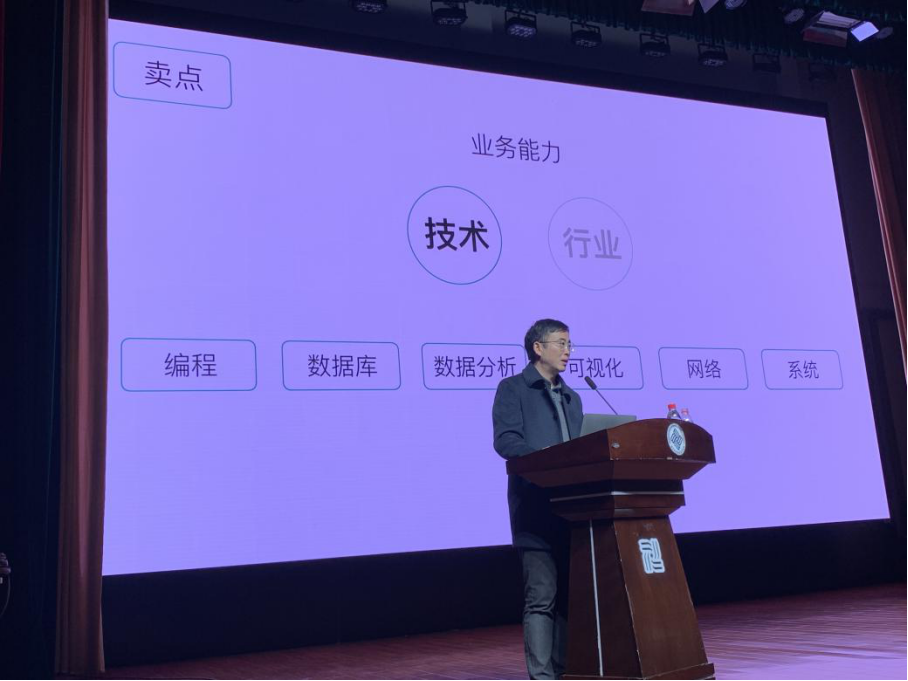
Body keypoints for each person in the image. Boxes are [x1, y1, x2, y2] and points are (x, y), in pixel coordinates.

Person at [492, 318, 583, 680]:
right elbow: (506, 441)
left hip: (573, 509)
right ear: (538, 347)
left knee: (568, 599)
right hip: (534, 510)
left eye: (570, 344)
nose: (567, 351)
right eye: (561, 343)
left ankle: (563, 671)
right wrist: (544, 459)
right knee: (542, 599)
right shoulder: (513, 388)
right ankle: (542, 676)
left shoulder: (572, 397)